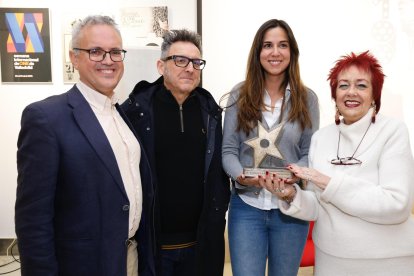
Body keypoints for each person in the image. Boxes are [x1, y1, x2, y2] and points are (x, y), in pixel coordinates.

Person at [15, 15, 153, 276]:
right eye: (95, 52)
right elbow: (33, 220)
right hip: (83, 266)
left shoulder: (121, 114)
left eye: (115, 52)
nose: (108, 60)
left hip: (129, 258)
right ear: (74, 57)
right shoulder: (46, 118)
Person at [262, 51, 414, 275]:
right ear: (334, 94)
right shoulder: (320, 138)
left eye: (361, 85)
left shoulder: (393, 131)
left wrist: (327, 182)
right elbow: (317, 206)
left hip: (388, 261)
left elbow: (396, 205)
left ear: (375, 95)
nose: (351, 92)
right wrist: (290, 195)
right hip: (331, 261)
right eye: (343, 85)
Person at [121, 29, 230, 276]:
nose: (190, 68)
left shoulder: (210, 111)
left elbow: (218, 171)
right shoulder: (137, 110)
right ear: (161, 66)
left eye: (196, 62)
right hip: (154, 243)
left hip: (201, 242)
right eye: (180, 60)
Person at [222, 19, 320, 276]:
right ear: (258, 52)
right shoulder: (239, 94)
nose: (275, 52)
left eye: (282, 45)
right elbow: (229, 150)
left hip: (290, 208)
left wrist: (296, 176)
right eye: (267, 45)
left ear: (292, 52)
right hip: (246, 208)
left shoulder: (307, 98)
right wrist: (241, 175)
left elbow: (310, 151)